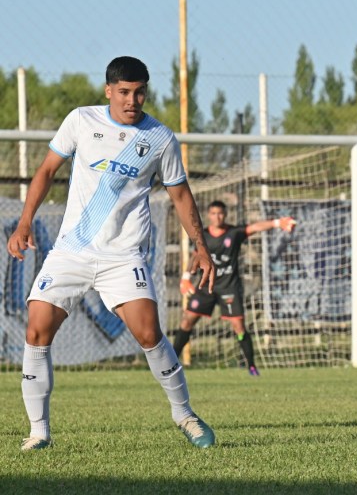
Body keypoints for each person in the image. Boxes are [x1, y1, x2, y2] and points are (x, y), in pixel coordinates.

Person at [7, 56, 217, 451]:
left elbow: (180, 194)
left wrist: (201, 247)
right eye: (124, 92)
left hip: (124, 255)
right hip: (72, 250)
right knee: (36, 330)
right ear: (109, 91)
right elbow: (47, 170)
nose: (132, 100)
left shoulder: (160, 138)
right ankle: (39, 433)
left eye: (139, 92)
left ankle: (184, 414)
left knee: (149, 333)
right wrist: (24, 223)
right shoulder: (81, 120)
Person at [173, 200, 296, 376]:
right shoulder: (203, 236)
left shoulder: (234, 233)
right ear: (209, 215)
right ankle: (171, 363)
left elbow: (255, 227)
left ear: (225, 214)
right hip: (206, 286)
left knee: (239, 326)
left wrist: (277, 223)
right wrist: (186, 278)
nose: (217, 217)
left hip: (228, 287)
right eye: (214, 213)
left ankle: (251, 366)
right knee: (186, 321)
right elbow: (195, 258)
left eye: (220, 213)